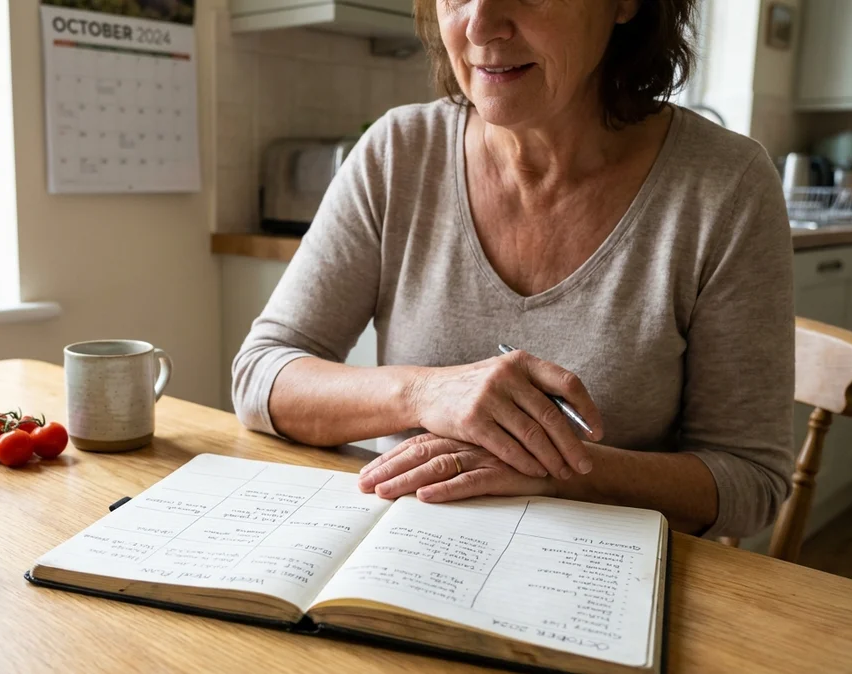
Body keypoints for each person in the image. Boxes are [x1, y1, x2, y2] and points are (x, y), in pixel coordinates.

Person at [232, 0, 794, 539]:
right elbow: (261, 375)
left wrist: (557, 471)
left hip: (596, 580)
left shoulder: (728, 185)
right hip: (402, 554)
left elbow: (750, 481)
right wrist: (425, 393)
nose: (480, 26)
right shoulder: (398, 152)